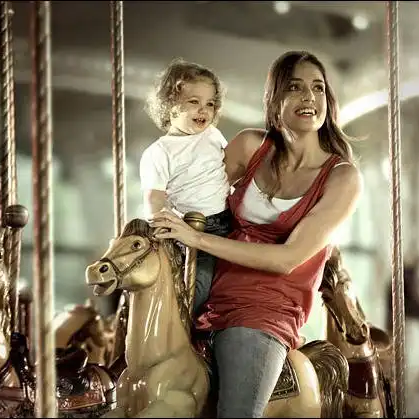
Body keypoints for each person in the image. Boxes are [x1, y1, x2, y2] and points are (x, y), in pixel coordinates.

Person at [149, 50, 363, 418]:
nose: (309, 97)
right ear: (275, 99)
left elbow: (287, 259)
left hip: (262, 311)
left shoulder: (342, 178)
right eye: (295, 87)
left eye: (318, 88)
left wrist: (197, 238)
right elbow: (189, 186)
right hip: (206, 287)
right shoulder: (251, 147)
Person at [139, 58, 232, 317]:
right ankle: (185, 329)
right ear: (170, 106)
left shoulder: (213, 135)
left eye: (210, 104)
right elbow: (155, 198)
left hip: (231, 221)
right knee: (196, 287)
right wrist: (165, 225)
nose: (204, 110)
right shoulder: (160, 152)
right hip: (194, 228)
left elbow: (228, 171)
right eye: (194, 102)